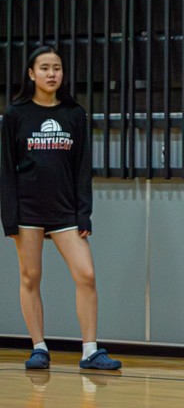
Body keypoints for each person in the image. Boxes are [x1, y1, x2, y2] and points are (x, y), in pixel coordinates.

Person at [1, 46, 122, 371]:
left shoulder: (74, 114)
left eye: (56, 67)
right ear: (31, 74)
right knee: (30, 277)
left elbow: (83, 169)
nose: (51, 73)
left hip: (66, 211)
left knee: (86, 274)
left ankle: (90, 350)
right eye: (44, 68)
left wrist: (84, 213)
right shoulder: (16, 114)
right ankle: (39, 347)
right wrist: (9, 217)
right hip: (27, 211)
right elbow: (7, 170)